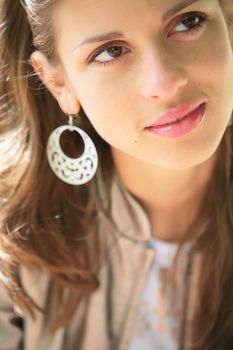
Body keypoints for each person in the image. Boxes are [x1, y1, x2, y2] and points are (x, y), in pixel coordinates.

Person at [0, 0, 233, 349]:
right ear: (59, 83)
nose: (165, 82)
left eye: (188, 22)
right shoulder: (10, 240)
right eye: (110, 52)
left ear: (228, 22)